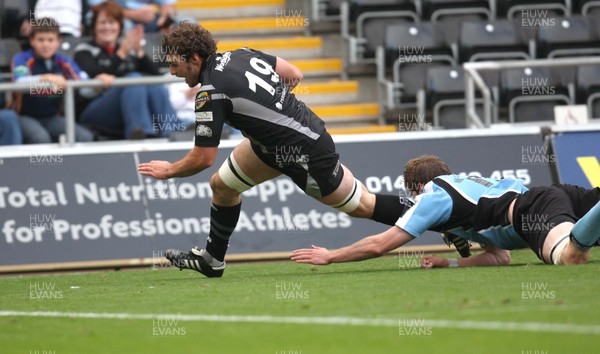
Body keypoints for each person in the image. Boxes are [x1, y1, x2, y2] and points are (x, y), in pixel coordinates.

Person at [137, 22, 414, 278]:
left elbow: (203, 158)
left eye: (175, 65)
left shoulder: (210, 93)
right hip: (270, 145)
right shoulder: (240, 54)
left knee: (362, 205)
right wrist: (276, 114)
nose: (172, 72)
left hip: (307, 150)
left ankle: (443, 216)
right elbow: (294, 74)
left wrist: (170, 170)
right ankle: (213, 260)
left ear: (195, 59)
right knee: (222, 186)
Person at [291, 155, 600, 268]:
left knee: (571, 257)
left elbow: (380, 244)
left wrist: (331, 256)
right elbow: (499, 256)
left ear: (417, 186)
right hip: (556, 196)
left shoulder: (433, 195)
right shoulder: (467, 190)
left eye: (411, 192)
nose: (411, 199)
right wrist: (448, 263)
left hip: (534, 209)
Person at [74, 1, 177, 139]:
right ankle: (142, 131)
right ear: (94, 27)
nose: (107, 27)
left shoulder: (128, 50)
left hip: (124, 111)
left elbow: (156, 77)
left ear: (119, 26)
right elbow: (97, 77)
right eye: (103, 23)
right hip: (93, 111)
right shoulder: (83, 51)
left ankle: (173, 128)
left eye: (112, 23)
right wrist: (121, 53)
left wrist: (138, 52)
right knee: (133, 78)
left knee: (150, 82)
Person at [12, 17, 94, 144]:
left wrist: (99, 83)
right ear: (32, 40)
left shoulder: (64, 62)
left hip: (52, 117)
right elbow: (19, 82)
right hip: (24, 116)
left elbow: (85, 86)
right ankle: (44, 164)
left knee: (84, 136)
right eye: (41, 40)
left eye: (50, 40)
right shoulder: (22, 58)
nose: (45, 44)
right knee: (41, 138)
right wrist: (45, 79)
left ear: (58, 41)